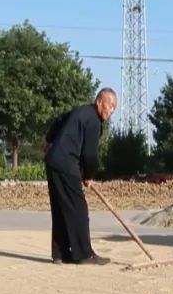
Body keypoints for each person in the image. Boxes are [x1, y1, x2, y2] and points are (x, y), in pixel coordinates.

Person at [43, 88, 117, 265]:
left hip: (53, 161)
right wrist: (88, 175)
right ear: (99, 102)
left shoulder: (79, 111)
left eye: (114, 107)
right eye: (110, 105)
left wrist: (49, 141)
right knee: (79, 210)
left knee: (61, 208)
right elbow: (89, 155)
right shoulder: (93, 122)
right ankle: (84, 255)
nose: (112, 110)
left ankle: (60, 254)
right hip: (66, 164)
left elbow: (57, 122)